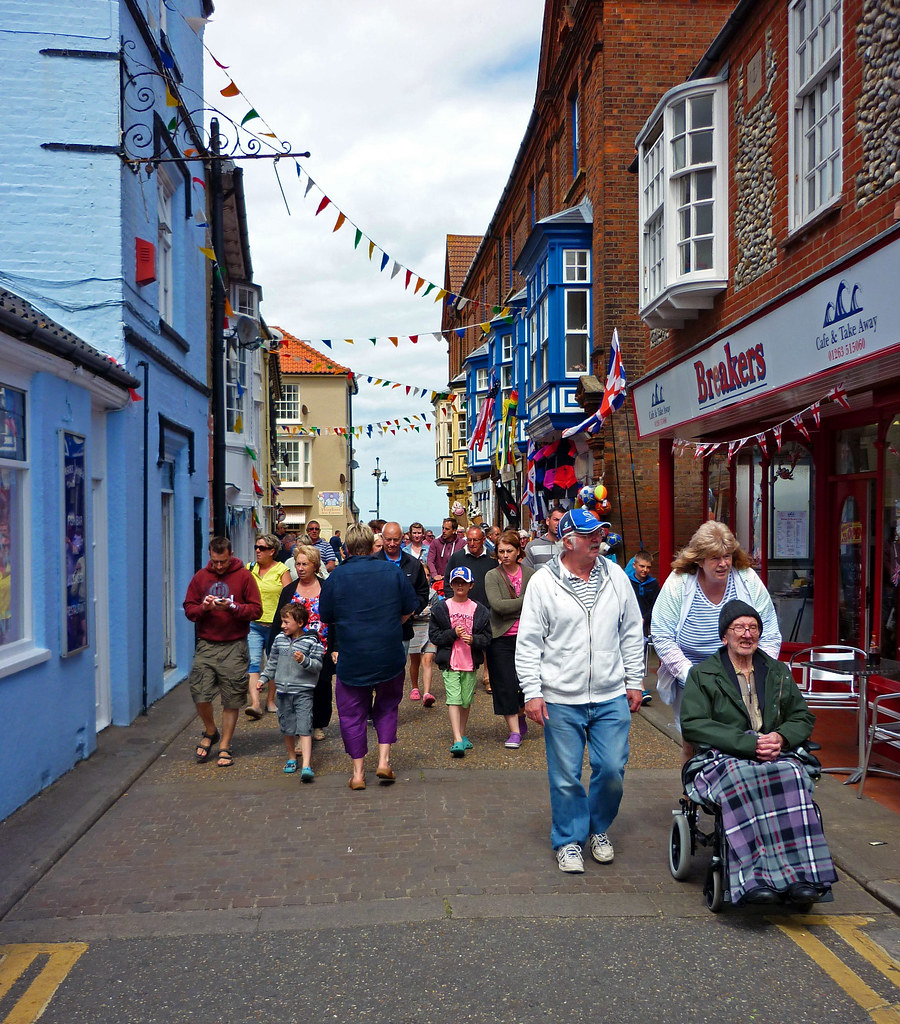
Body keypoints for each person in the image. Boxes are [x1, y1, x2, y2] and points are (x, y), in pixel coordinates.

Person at [681, 600, 837, 906]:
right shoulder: (703, 675)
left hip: (774, 754)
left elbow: (802, 717)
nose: (747, 634)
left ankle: (803, 877)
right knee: (743, 777)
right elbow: (693, 725)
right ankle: (752, 879)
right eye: (738, 627)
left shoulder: (777, 671)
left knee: (793, 775)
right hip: (724, 758)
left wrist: (781, 736)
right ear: (724, 636)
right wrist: (748, 744)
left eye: (753, 627)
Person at [515, 508, 644, 873]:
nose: (597, 540)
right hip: (560, 696)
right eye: (589, 535)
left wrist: (634, 680)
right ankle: (569, 839)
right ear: (567, 540)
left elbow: (632, 631)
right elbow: (528, 643)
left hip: (609, 694)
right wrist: (532, 692)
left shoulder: (616, 576)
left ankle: (597, 827)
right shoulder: (543, 582)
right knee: (566, 775)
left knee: (612, 768)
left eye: (600, 533)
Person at [651, 520, 781, 761]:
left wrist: (757, 671)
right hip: (692, 675)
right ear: (699, 560)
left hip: (743, 673)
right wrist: (692, 676)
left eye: (727, 556)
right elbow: (662, 635)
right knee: (695, 744)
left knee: (744, 738)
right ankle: (694, 792)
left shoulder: (747, 580)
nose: (723, 564)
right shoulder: (679, 583)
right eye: (714, 558)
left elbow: (771, 633)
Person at [319, 523, 418, 789]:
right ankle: (384, 761)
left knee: (352, 713)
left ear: (347, 548)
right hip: (388, 651)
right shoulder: (391, 571)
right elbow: (411, 606)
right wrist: (393, 623)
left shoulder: (337, 577)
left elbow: (326, 616)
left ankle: (359, 773)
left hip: (353, 654)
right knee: (387, 706)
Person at [183, 537, 262, 768]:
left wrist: (233, 607)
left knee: (232, 697)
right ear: (209, 555)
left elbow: (256, 610)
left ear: (231, 554)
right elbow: (189, 608)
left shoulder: (244, 576)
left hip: (235, 645)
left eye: (223, 561)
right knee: (199, 692)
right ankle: (210, 730)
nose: (219, 566)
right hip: (207, 644)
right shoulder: (200, 577)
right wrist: (204, 608)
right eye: (215, 561)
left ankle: (225, 744)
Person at [268, 544, 334, 742]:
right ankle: (299, 726)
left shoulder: (327, 588)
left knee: (321, 687)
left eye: (305, 564)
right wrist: (273, 646)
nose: (300, 568)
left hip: (321, 647)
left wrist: (336, 646)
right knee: (298, 689)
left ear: (315, 565)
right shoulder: (289, 590)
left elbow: (335, 618)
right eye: (298, 564)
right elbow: (279, 620)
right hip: (294, 649)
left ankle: (318, 724)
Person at [429, 565, 493, 757]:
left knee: (466, 700)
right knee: (454, 699)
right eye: (456, 582)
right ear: (451, 584)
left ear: (471, 585)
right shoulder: (441, 608)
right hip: (450, 662)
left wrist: (474, 640)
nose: (459, 586)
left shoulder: (479, 610)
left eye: (463, 583)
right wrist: (452, 634)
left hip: (470, 662)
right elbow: (435, 636)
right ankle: (457, 738)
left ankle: (462, 734)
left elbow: (487, 638)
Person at [260, 603, 324, 781]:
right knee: (287, 726)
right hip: (283, 691)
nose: (283, 626)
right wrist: (262, 679)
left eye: (287, 622)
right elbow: (272, 663)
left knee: (305, 726)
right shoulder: (279, 639)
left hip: (303, 691)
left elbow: (318, 666)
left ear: (300, 622)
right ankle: (291, 757)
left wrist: (304, 660)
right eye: (282, 622)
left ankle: (306, 765)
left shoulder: (312, 641)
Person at [484, 530, 535, 748]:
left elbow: (538, 604)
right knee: (505, 683)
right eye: (501, 551)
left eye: (509, 551)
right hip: (501, 637)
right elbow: (498, 606)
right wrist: (525, 602)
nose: (505, 555)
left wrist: (514, 607)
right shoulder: (492, 576)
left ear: (518, 551)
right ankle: (514, 731)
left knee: (526, 683)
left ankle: (521, 713)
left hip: (527, 637)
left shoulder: (531, 575)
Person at [444, 525, 497, 692]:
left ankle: (488, 676)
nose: (472, 543)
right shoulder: (457, 557)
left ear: (483, 540)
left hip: (486, 607)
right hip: (462, 607)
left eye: (476, 540)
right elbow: (447, 580)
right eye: (470, 540)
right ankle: (467, 678)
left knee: (487, 642)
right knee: (465, 643)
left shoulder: (492, 558)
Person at [244, 534, 292, 719]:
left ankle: (270, 700)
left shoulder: (282, 570)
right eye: (256, 547)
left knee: (273, 664)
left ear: (272, 551)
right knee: (254, 663)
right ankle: (255, 703)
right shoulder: (250, 568)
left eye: (262, 548)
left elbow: (288, 597)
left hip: (275, 626)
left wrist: (288, 623)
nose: (257, 551)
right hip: (254, 625)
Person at [377, 521, 430, 661]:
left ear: (402, 538)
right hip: (376, 629)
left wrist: (411, 611)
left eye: (396, 539)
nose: (392, 543)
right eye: (388, 539)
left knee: (398, 672)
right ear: (382, 538)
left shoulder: (413, 564)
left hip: (403, 629)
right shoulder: (372, 562)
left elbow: (423, 593)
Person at [626, 551, 660, 707]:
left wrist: (645, 618)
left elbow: (656, 606)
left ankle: (639, 686)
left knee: (639, 652)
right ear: (634, 565)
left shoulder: (653, 584)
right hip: (626, 622)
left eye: (648, 567)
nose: (645, 570)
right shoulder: (626, 582)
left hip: (642, 624)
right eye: (641, 566)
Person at [426, 516, 465, 583]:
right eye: (443, 528)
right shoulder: (435, 543)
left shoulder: (462, 544)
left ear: (454, 531)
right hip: (439, 581)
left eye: (447, 529)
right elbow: (430, 560)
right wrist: (434, 574)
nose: (444, 531)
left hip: (456, 581)